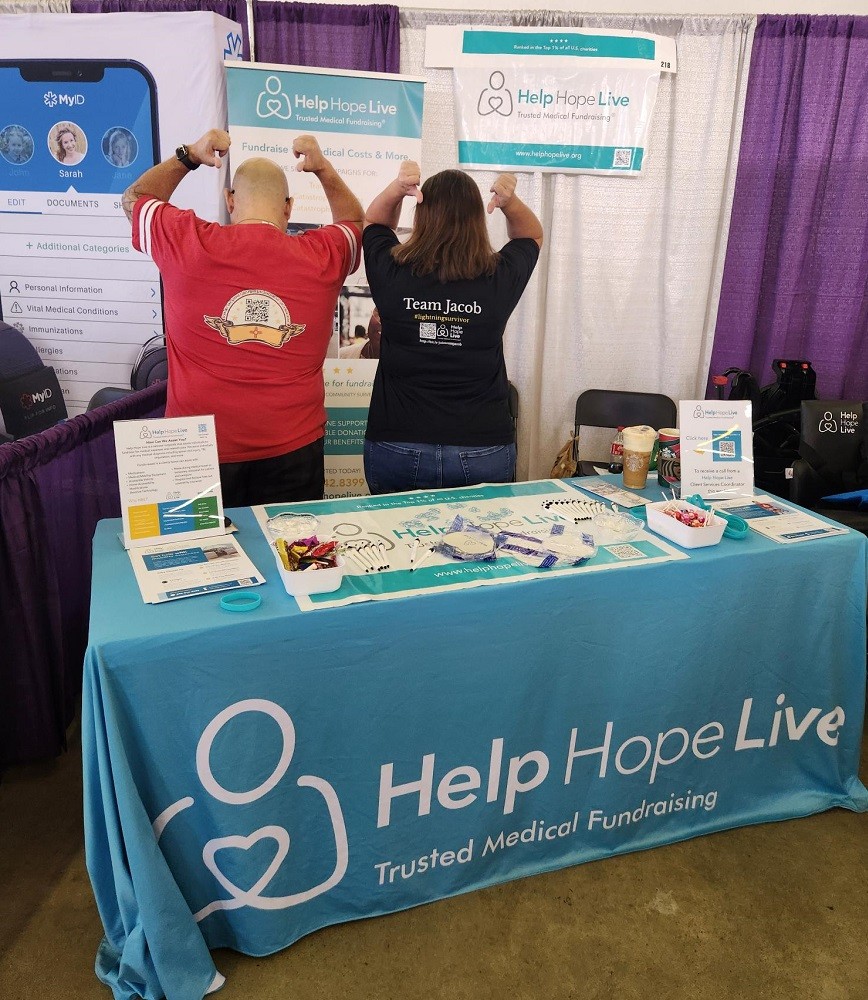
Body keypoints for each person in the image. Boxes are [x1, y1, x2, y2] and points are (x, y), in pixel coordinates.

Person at [122, 128, 363, 506]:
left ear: (230, 199)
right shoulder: (322, 255)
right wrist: (323, 170)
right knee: (290, 561)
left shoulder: (188, 241)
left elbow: (135, 198)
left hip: (194, 453)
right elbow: (354, 224)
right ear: (289, 207)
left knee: (193, 561)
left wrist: (190, 154)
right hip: (294, 451)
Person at [361, 162, 542, 493]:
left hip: (397, 445)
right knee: (478, 544)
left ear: (421, 214)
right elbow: (530, 235)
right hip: (482, 448)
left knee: (399, 544)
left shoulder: (392, 272)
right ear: (477, 218)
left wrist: (397, 189)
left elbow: (374, 223)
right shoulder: (497, 278)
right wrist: (510, 202)